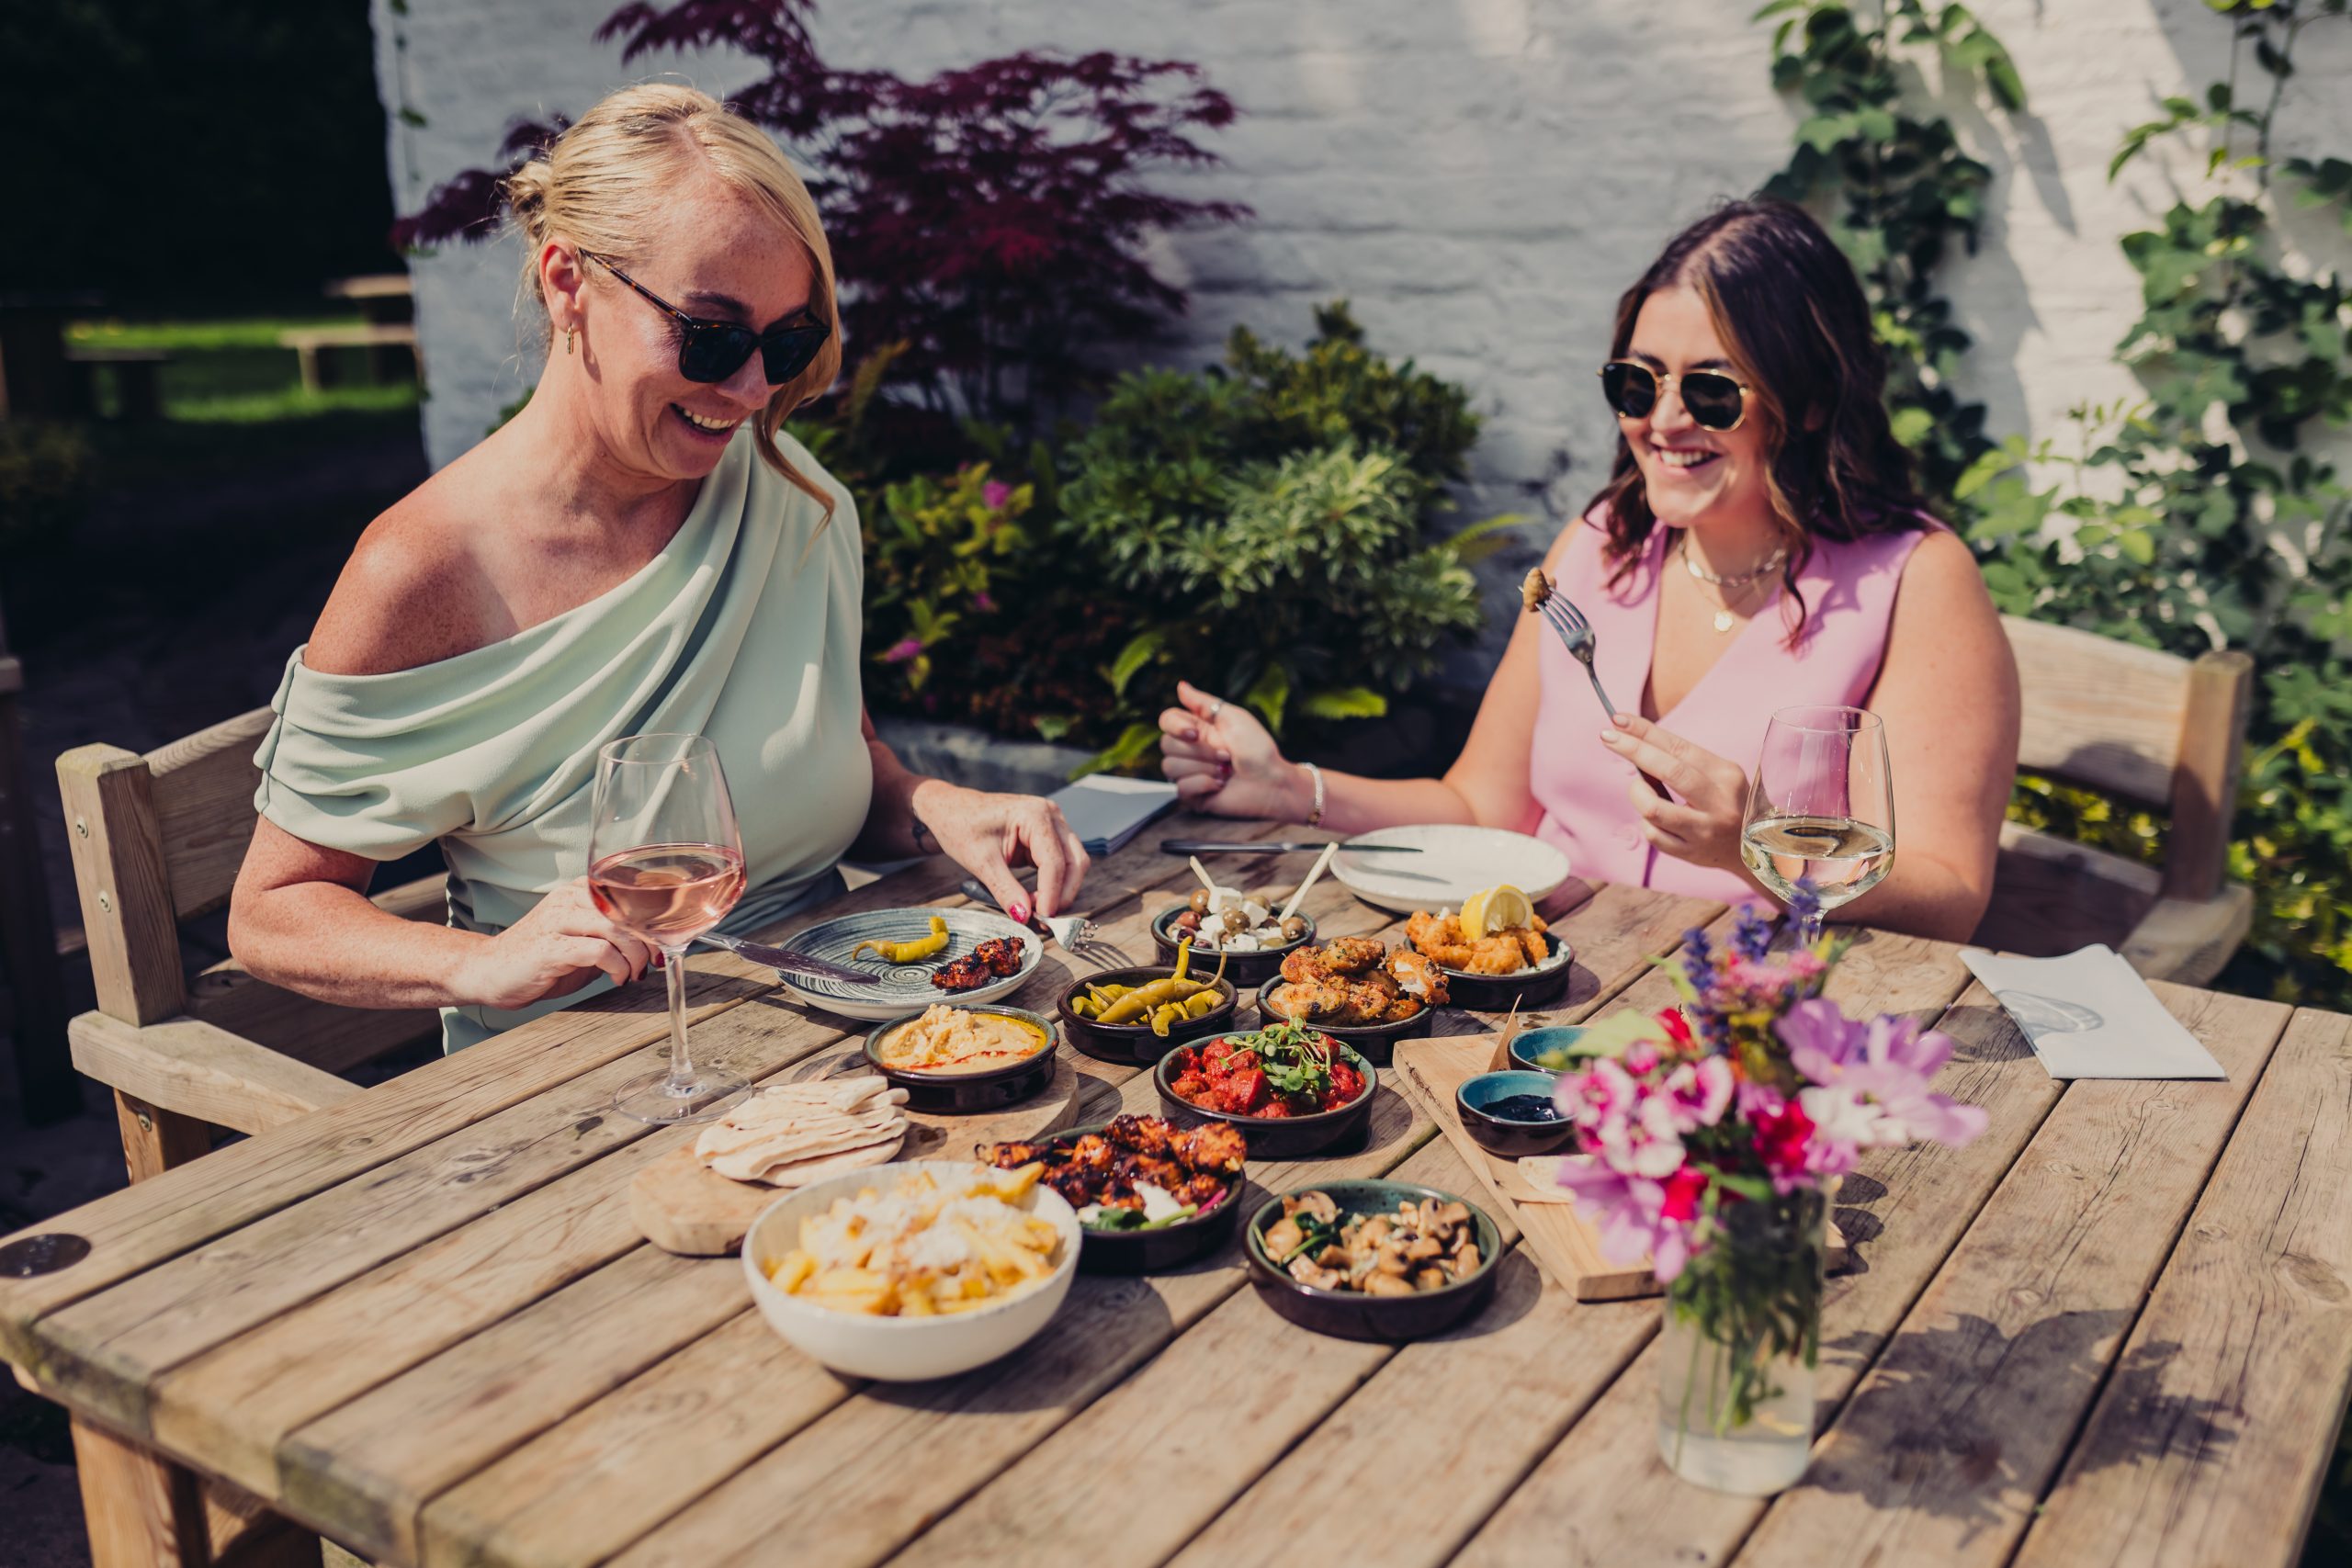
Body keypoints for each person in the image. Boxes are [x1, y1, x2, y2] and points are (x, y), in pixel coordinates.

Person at [229, 84, 1086, 1052]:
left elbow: (834, 767)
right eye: (711, 334)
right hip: (567, 1067)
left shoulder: (796, 497)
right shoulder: (421, 571)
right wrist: (477, 964)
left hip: (838, 1028)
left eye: (787, 340)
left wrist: (941, 807)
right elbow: (273, 910)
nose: (752, 388)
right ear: (567, 283)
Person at [1159, 198, 2019, 942]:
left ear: (1811, 400)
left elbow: (1950, 897)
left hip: (1759, 1020)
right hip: (1548, 986)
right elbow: (1482, 810)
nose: (1664, 420)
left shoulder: (1914, 577)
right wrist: (1291, 786)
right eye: (1637, 384)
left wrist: (1751, 850)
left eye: (1712, 391)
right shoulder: (1600, 545)